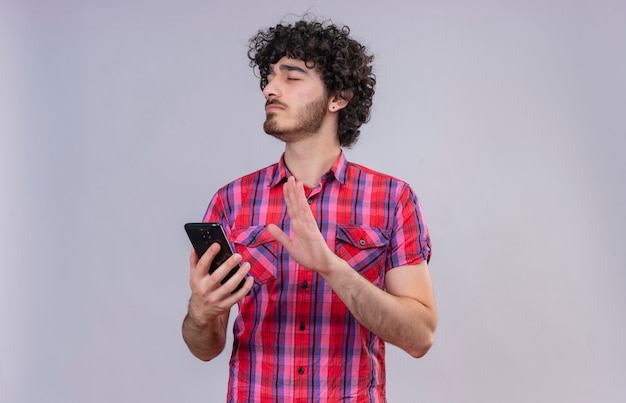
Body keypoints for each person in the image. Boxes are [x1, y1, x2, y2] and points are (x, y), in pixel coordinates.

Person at [182, 16, 437, 402]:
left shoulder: (391, 198)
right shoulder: (231, 201)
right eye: (269, 77)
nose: (270, 87)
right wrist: (201, 312)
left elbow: (420, 337)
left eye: (292, 76)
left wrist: (332, 268)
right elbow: (206, 348)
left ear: (339, 97)